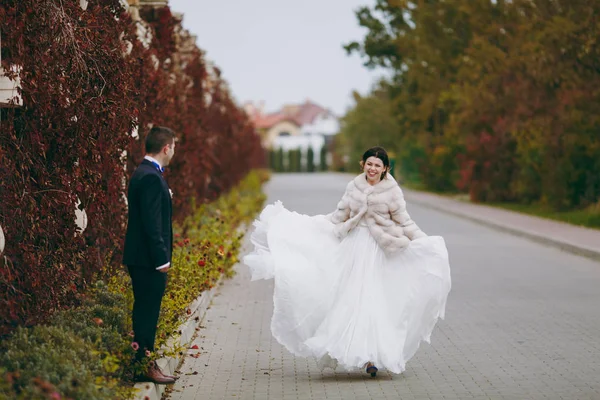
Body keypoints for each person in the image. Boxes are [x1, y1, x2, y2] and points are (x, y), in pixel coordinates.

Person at [244, 146, 451, 377]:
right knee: (350, 299)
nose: (373, 169)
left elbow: (405, 222)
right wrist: (312, 226)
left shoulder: (393, 192)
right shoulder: (353, 186)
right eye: (369, 164)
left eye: (378, 165)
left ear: (385, 169)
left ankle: (373, 356)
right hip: (353, 249)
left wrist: (423, 242)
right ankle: (359, 354)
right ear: (363, 164)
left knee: (375, 300)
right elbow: (338, 216)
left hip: (380, 252)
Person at [123, 126, 178, 384]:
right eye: (173, 147)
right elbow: (151, 223)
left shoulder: (145, 173)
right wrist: (161, 259)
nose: (174, 152)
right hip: (148, 261)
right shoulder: (150, 177)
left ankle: (142, 363)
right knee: (147, 313)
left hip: (142, 259)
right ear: (166, 148)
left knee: (144, 311)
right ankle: (145, 365)